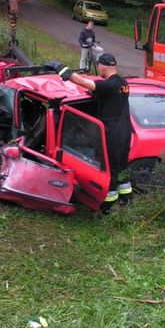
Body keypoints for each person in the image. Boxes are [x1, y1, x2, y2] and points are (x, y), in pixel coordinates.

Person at [45, 54, 133, 213]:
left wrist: (59, 67)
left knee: (111, 170)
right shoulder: (123, 83)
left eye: (99, 66)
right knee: (122, 166)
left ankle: (107, 207)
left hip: (113, 132)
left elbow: (79, 81)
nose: (99, 69)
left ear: (103, 66)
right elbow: (112, 99)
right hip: (125, 129)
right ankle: (126, 199)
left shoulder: (109, 86)